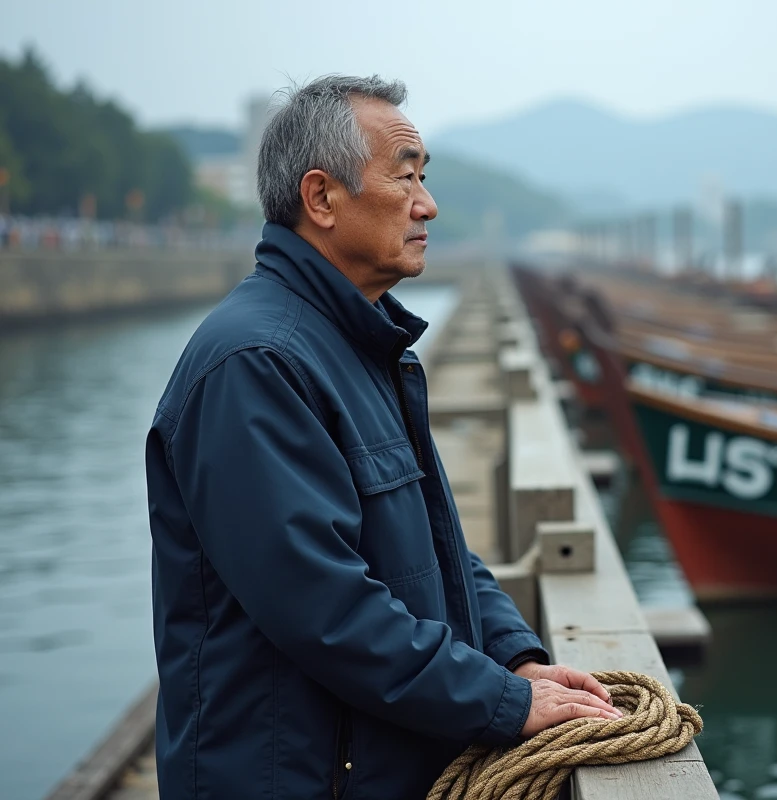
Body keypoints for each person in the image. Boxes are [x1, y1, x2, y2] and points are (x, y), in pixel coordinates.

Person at [145, 75, 620, 800]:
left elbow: (437, 547)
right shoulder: (256, 364)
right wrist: (502, 703)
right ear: (321, 198)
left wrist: (512, 656)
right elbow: (326, 610)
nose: (427, 204)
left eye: (424, 177)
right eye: (405, 177)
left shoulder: (363, 346)